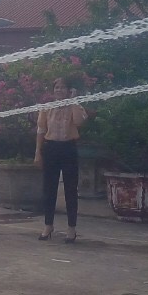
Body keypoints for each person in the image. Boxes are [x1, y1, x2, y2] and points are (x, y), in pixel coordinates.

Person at [35, 77, 88, 243]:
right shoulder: (47, 108)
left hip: (68, 148)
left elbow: (79, 122)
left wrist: (73, 100)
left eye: (63, 87)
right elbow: (41, 130)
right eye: (56, 87)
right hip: (51, 148)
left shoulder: (75, 106)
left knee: (70, 189)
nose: (59, 90)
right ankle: (48, 225)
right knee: (49, 188)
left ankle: (71, 228)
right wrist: (38, 152)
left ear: (69, 90)